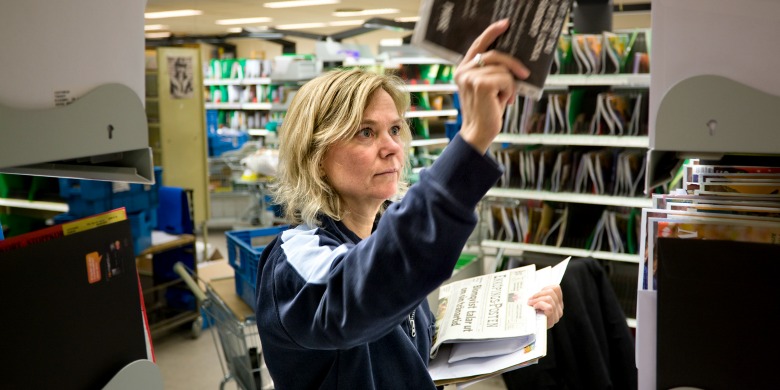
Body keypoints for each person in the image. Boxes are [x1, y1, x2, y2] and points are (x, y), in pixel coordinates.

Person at [255, 20, 564, 389]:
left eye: (395, 129)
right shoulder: (295, 258)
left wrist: (520, 326)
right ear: (316, 155)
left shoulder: (378, 236)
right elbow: (362, 293)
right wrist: (471, 140)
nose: (391, 147)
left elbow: (419, 359)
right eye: (365, 132)